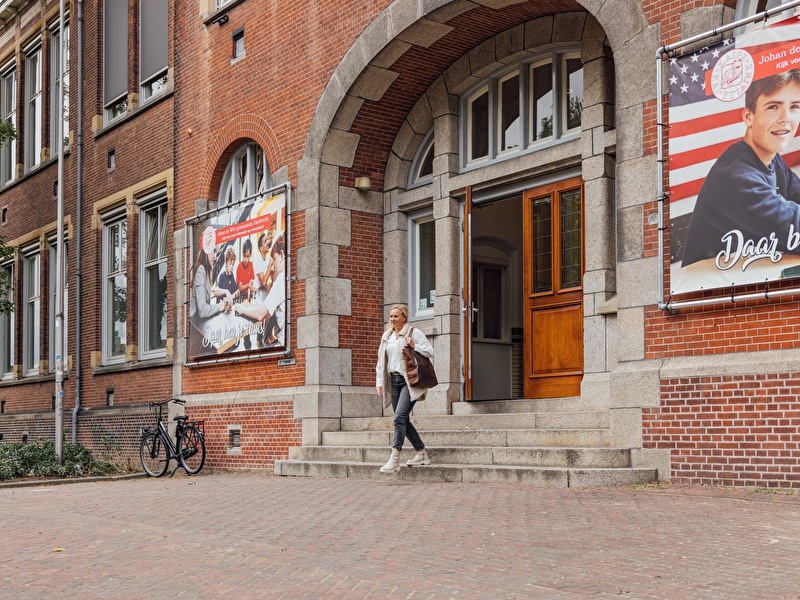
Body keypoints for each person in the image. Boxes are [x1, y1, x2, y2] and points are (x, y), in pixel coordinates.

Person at [683, 68, 800, 265]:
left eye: (794, 107)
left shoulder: (773, 160)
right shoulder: (734, 176)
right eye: (773, 107)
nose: (785, 118)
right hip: (710, 289)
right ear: (748, 117)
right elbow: (793, 229)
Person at [374, 304, 434, 473]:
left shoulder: (414, 333)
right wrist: (379, 383)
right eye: (391, 316)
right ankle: (421, 453)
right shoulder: (387, 336)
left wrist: (415, 346)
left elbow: (430, 352)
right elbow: (381, 362)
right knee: (403, 420)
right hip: (393, 381)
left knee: (399, 418)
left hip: (409, 382)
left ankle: (394, 459)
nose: (392, 319)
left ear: (404, 318)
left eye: (396, 316)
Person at [233, 233, 286, 347]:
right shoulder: (257, 262)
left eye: (275, 259)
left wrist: (241, 310)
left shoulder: (282, 279)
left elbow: (261, 314)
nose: (274, 264)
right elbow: (260, 282)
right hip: (254, 298)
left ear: (282, 255)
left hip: (282, 343)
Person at [189, 226, 233, 355]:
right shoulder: (201, 270)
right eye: (214, 251)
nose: (215, 256)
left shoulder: (205, 270)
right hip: (197, 331)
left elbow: (211, 292)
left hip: (200, 328)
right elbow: (202, 310)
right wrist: (220, 306)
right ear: (206, 251)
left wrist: (225, 292)